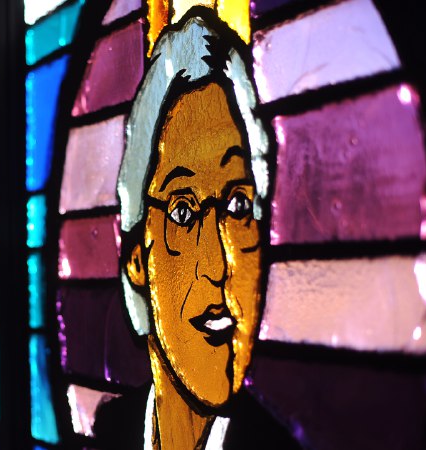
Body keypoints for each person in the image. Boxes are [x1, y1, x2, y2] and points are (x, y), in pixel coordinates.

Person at [112, 8, 300, 449]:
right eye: (183, 212)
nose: (218, 264)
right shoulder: (107, 435)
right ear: (138, 255)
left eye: (238, 206)